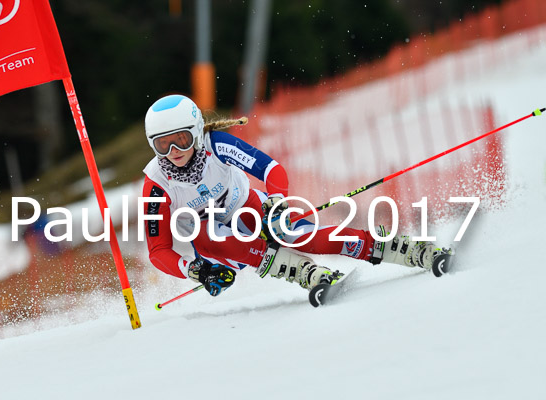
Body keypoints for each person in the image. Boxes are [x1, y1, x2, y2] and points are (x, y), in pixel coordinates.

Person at [142, 94, 447, 297]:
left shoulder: (216, 145)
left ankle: (396, 247)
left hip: (249, 208)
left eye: (181, 140)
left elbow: (272, 171)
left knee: (300, 235)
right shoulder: (156, 184)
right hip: (216, 247)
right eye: (162, 145)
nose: (174, 153)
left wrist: (276, 203)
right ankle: (302, 271)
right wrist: (191, 270)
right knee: (207, 232)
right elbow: (158, 250)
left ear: (196, 131)